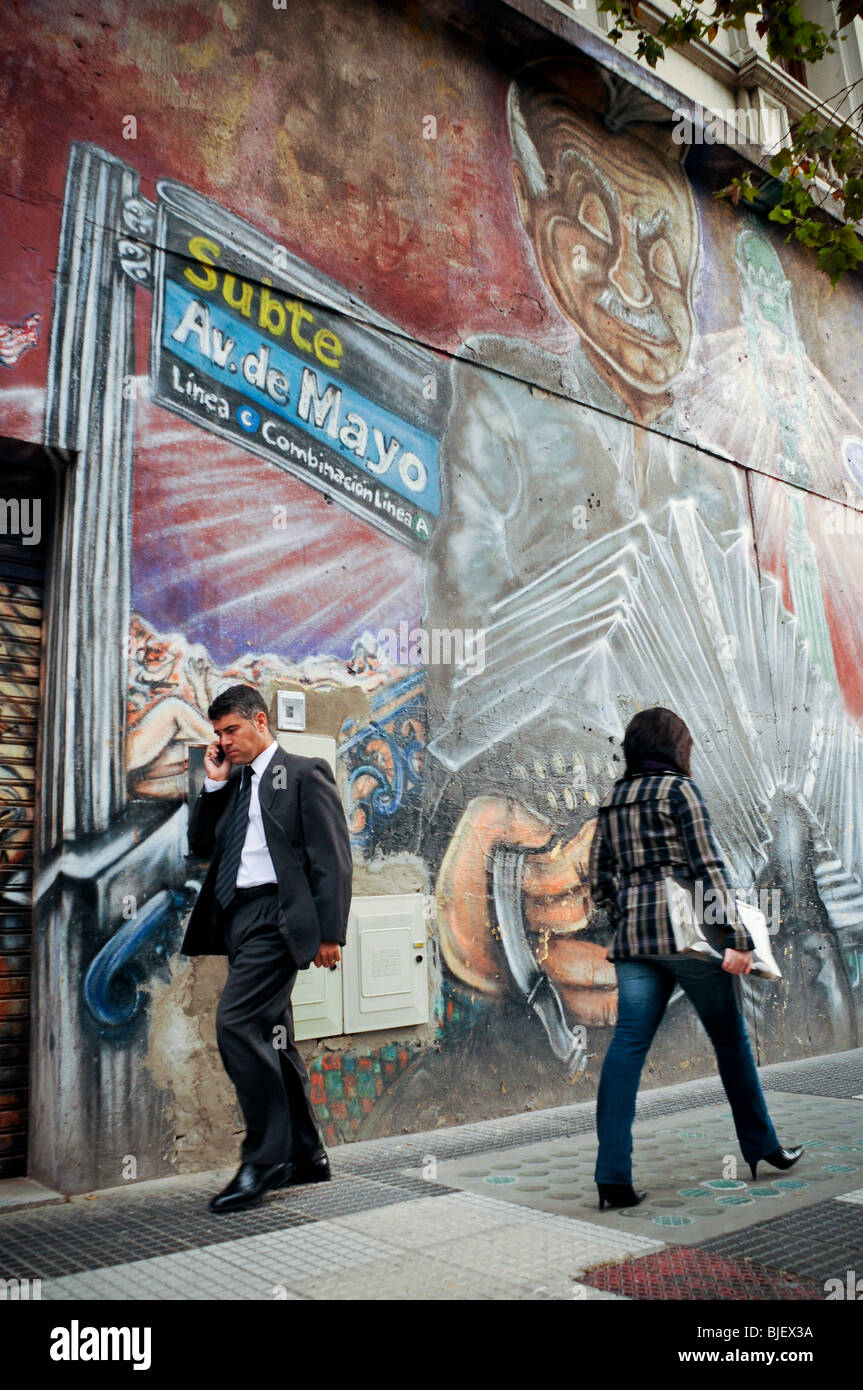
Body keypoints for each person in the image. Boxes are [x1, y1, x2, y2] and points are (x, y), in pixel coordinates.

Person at [588, 706, 803, 1210]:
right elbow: (708, 867)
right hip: (689, 936)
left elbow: (600, 878)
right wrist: (738, 940)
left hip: (635, 940)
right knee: (729, 1039)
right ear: (674, 747)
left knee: (627, 1047)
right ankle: (762, 1145)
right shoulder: (679, 791)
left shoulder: (613, 799)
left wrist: (629, 908)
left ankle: (612, 1176)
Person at [181, 684, 353, 1213]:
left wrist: (330, 932)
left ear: (260, 721)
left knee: (236, 1023)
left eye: (231, 730)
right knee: (274, 1038)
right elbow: (201, 845)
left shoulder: (302, 773)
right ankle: (307, 1154)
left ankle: (264, 1158)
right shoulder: (233, 783)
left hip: (278, 920)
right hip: (240, 919)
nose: (224, 741)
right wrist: (212, 785)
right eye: (217, 734)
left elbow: (332, 856)